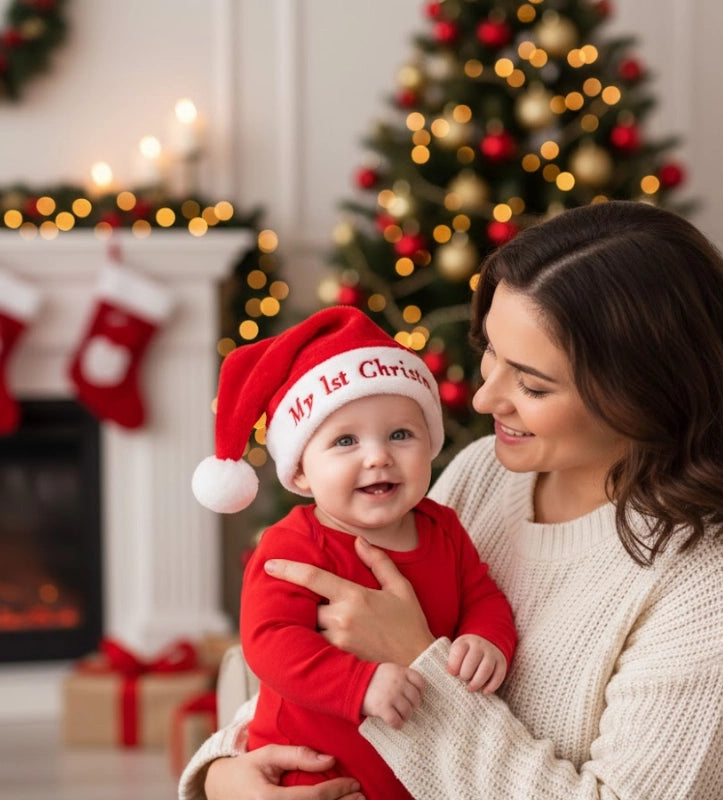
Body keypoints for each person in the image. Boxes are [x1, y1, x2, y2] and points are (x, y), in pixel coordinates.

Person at [180, 200, 723, 800]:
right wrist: (225, 772)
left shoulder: (721, 580)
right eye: (491, 355)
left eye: (530, 383)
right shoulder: (486, 475)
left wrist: (412, 660)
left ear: (644, 393)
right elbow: (310, 652)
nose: (483, 400)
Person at [189, 306, 517, 799]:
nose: (378, 456)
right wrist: (357, 685)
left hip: (418, 775)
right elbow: (271, 640)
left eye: (400, 434)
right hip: (317, 774)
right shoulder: (295, 546)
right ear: (300, 473)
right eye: (345, 440)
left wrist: (486, 638)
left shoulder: (443, 526)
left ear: (430, 443)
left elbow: (482, 594)